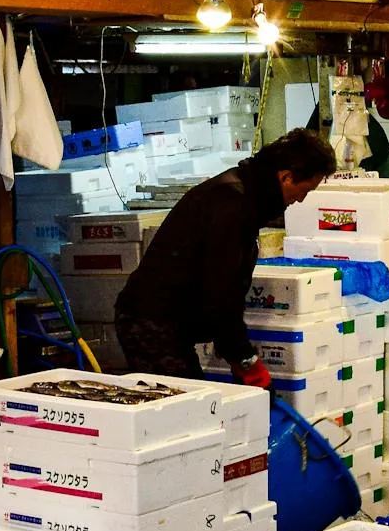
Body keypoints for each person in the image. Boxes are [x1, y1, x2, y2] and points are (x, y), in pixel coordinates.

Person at [115, 129, 338, 381]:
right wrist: (243, 358)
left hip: (172, 323)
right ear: (286, 177)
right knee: (186, 412)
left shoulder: (246, 196)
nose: (300, 200)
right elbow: (220, 293)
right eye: (304, 191)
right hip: (150, 321)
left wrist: (236, 354)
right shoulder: (231, 204)